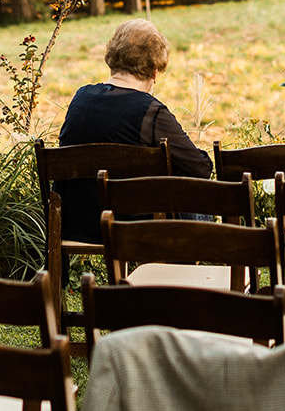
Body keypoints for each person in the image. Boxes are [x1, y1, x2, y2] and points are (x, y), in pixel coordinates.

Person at [54, 18, 212, 243]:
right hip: (137, 229)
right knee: (200, 204)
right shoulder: (150, 111)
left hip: (77, 225)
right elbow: (200, 169)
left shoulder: (80, 98)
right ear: (155, 71)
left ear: (113, 59)